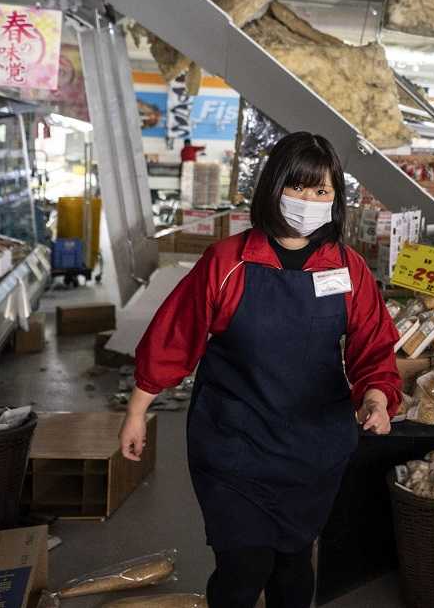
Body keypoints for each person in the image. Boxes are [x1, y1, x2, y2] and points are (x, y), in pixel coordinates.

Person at [121, 132, 401, 608]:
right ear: (273, 188)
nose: (309, 201)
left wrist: (376, 395)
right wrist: (136, 411)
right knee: (243, 567)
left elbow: (373, 347)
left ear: (335, 200)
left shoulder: (348, 270)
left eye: (322, 192)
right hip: (234, 442)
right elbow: (175, 335)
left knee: (293, 566)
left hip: (313, 448)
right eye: (298, 188)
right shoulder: (228, 262)